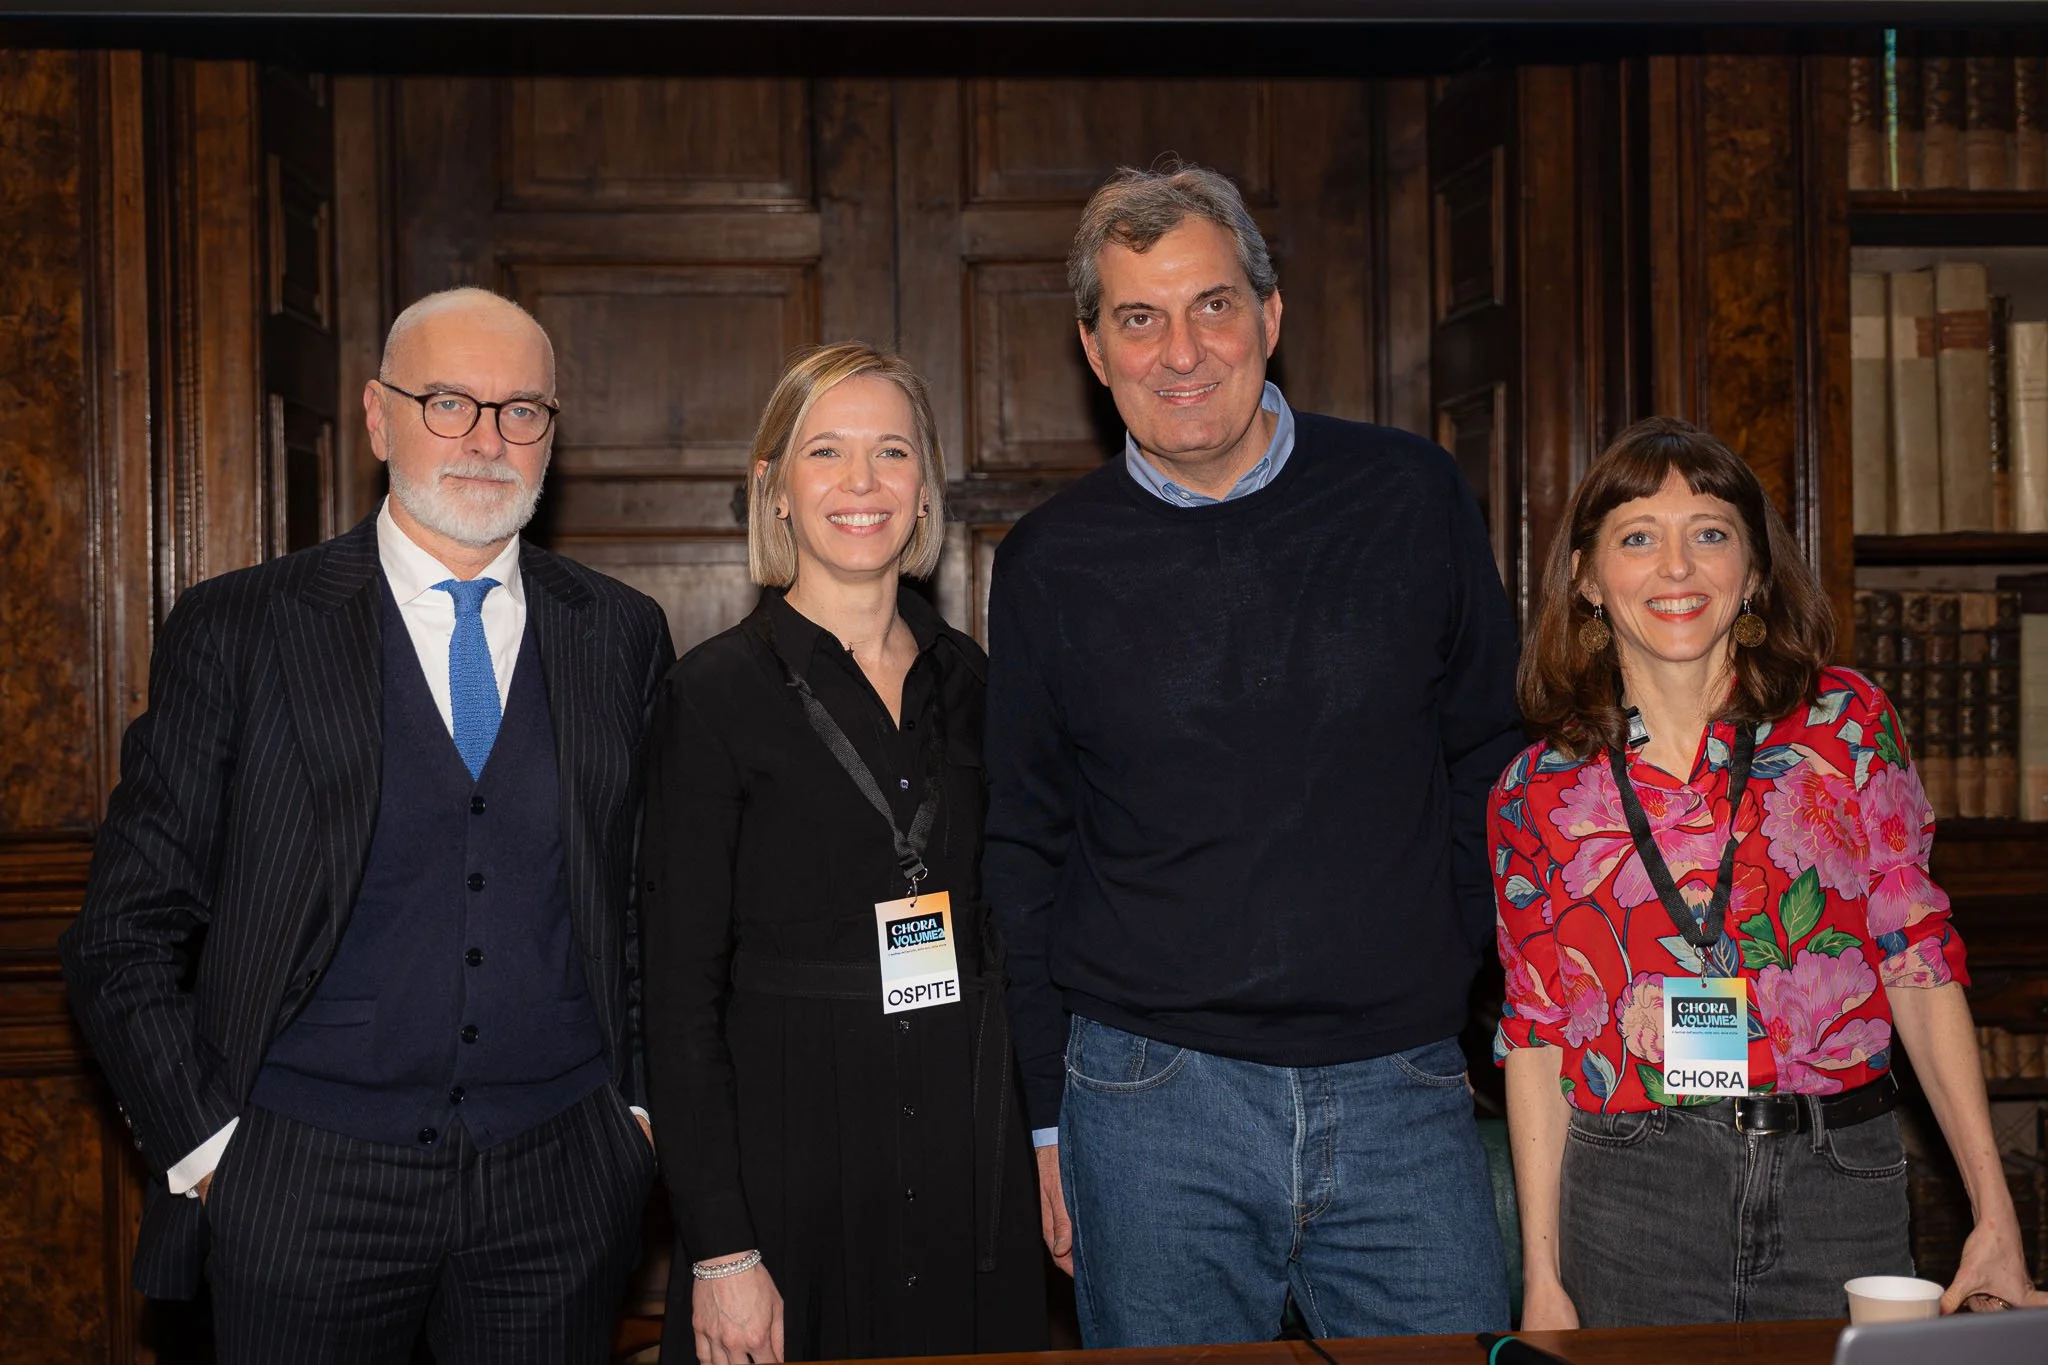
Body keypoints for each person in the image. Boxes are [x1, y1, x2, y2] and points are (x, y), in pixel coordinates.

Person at [59, 288, 674, 1363]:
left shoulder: (619, 633)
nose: (487, 439)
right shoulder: (242, 627)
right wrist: (208, 1150)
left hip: (559, 1188)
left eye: (521, 410)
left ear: (552, 436)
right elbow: (122, 929)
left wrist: (635, 1121)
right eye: (449, 403)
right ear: (379, 417)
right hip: (299, 1189)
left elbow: (648, 904)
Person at [982, 162, 1523, 1347]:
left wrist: (1447, 955)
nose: (1180, 351)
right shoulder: (1044, 566)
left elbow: (1490, 752)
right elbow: (1023, 848)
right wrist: (1041, 1123)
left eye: (1211, 305)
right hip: (1146, 1103)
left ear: (1269, 318)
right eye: (1138, 317)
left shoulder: (1408, 494)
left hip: (1401, 1087)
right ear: (1092, 346)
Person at [1492, 416, 2047, 1327]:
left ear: (1752, 572)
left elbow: (1919, 958)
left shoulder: (1847, 724)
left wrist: (1995, 1211)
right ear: (1589, 577)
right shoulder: (1537, 793)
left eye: (1709, 533)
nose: (1677, 567)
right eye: (1639, 537)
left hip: (1842, 1176)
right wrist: (1543, 1280)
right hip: (1634, 1191)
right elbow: (1537, 1035)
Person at [640, 342, 1045, 1365]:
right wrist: (721, 1252)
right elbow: (675, 997)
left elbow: (1020, 927)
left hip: (963, 1155)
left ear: (922, 494)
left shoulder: (982, 687)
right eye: (825, 452)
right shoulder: (710, 696)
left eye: (890, 453)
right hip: (786, 1165)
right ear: (773, 490)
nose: (860, 483)